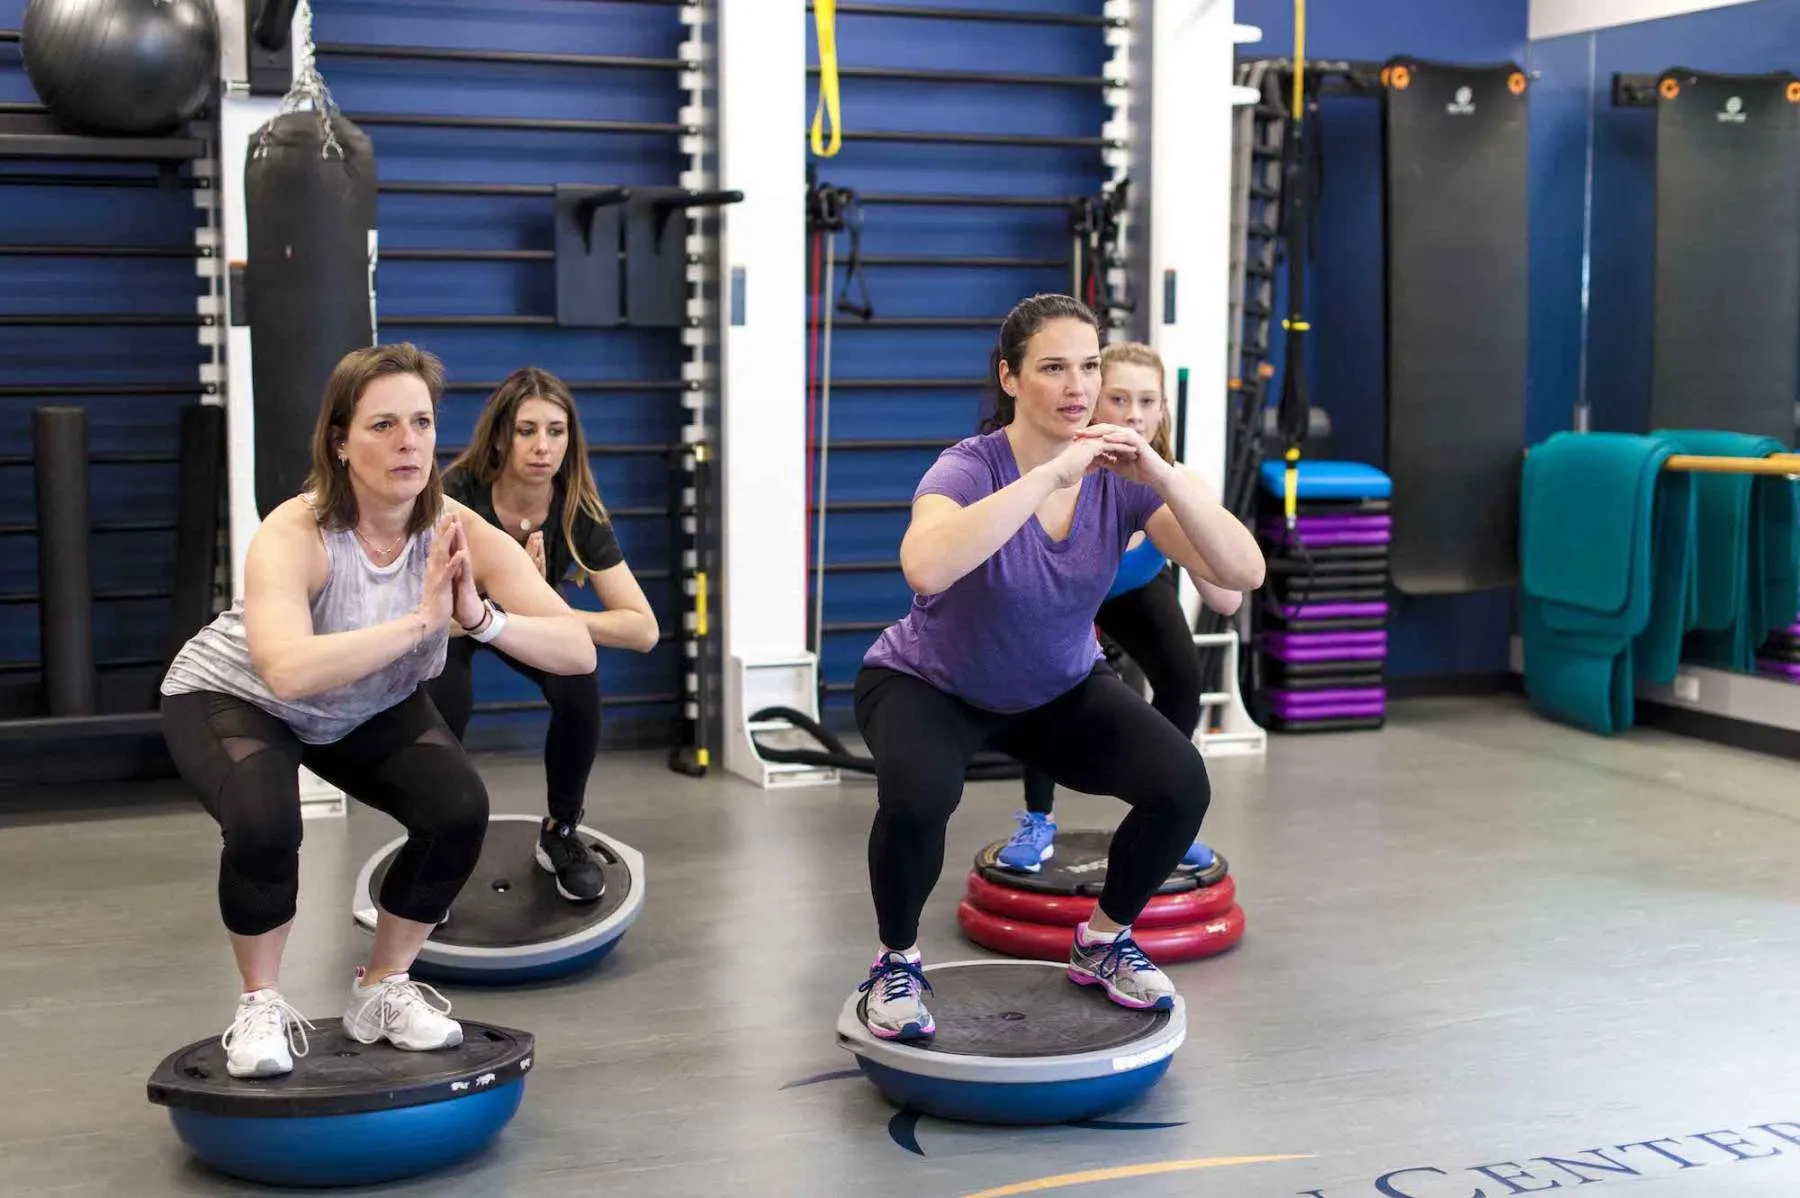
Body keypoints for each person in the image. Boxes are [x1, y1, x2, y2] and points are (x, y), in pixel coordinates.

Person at [159, 343, 597, 1080]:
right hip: (237, 697)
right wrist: (423, 623)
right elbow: (286, 670)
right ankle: (260, 1004)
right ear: (340, 440)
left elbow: (575, 650)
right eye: (383, 425)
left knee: (458, 809)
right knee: (267, 822)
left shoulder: (460, 529)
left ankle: (381, 988)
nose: (408, 442)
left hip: (363, 703)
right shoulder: (295, 532)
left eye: (421, 423)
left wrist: (480, 619)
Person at [852, 294, 1265, 1040]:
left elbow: (1242, 577)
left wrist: (1165, 476)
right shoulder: (967, 467)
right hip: (930, 683)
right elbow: (925, 566)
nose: (1077, 386)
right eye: (1052, 368)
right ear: (1010, 378)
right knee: (918, 799)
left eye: (1087, 366)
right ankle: (896, 961)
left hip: (1056, 688)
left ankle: (1102, 942)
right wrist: (1049, 474)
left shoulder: (1123, 479)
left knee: (1181, 785)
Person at [995, 341, 1245, 874]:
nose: (1134, 414)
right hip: (1066, 594)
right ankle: (1038, 817)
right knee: (1042, 687)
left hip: (1132, 587)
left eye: (1148, 401)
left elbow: (1228, 596)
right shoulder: (1062, 474)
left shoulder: (1173, 481)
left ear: (1162, 411)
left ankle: (1162, 814)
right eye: (1119, 398)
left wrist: (1193, 509)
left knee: (1182, 678)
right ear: (1091, 401)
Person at [431, 367, 658, 904]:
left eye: (555, 432)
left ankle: (560, 830)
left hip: (512, 622)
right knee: (444, 700)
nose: (542, 446)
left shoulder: (577, 511)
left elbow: (643, 629)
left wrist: (539, 612)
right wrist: (491, 612)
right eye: (527, 430)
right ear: (502, 436)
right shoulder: (454, 496)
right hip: (451, 628)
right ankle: (435, 839)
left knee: (579, 679)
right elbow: (421, 610)